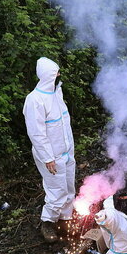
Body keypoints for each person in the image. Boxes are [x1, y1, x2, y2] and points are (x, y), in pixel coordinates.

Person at [23, 57, 76, 242]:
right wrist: (47, 158)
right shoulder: (35, 100)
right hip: (51, 156)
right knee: (57, 190)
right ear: (47, 75)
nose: (59, 75)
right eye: (56, 72)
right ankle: (47, 222)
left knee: (69, 187)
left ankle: (65, 220)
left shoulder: (56, 94)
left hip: (66, 152)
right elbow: (37, 133)